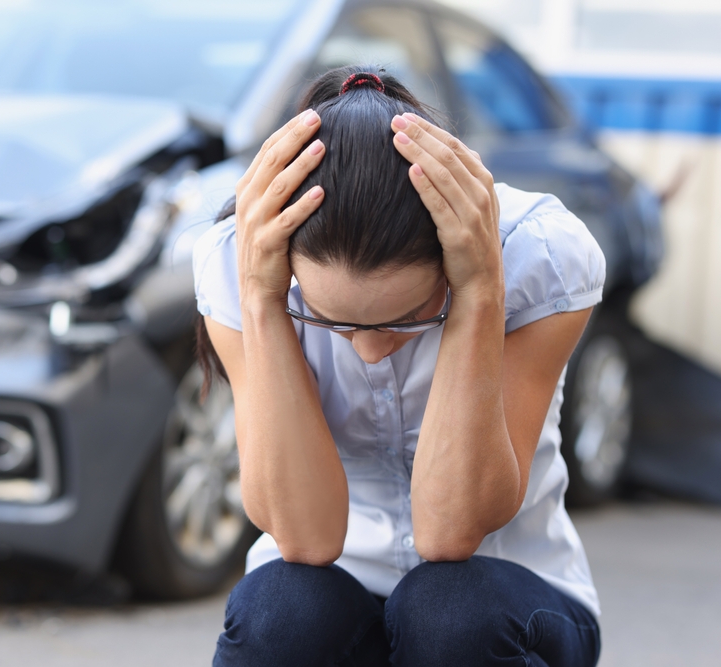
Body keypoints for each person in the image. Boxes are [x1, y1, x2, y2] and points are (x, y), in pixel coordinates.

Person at [193, 66, 604, 666]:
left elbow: (449, 533)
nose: (368, 349)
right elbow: (305, 539)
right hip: (334, 597)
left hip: (509, 606)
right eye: (331, 321)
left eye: (408, 317)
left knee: (447, 609)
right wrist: (262, 301)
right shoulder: (242, 263)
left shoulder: (539, 256)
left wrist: (479, 294)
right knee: (279, 608)